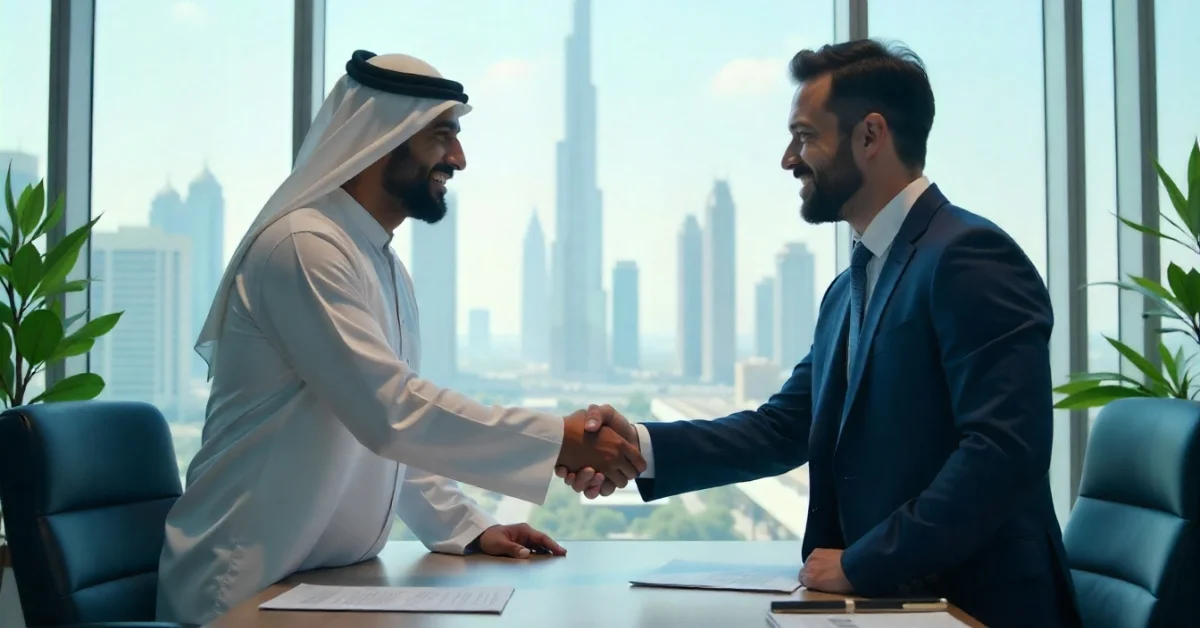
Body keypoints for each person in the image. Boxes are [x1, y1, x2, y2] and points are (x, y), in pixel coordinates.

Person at [558, 40, 1081, 627]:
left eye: (805, 136)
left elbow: (1003, 452)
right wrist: (641, 446)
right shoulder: (850, 285)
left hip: (975, 608)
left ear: (870, 135)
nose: (788, 158)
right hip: (885, 605)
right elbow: (785, 426)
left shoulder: (970, 256)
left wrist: (862, 563)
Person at [155, 50, 644, 624]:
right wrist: (559, 438)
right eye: (443, 135)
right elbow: (392, 413)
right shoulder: (304, 249)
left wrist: (470, 526)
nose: (458, 158)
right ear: (382, 138)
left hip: (324, 588)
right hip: (240, 593)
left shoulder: (379, 261)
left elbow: (387, 436)